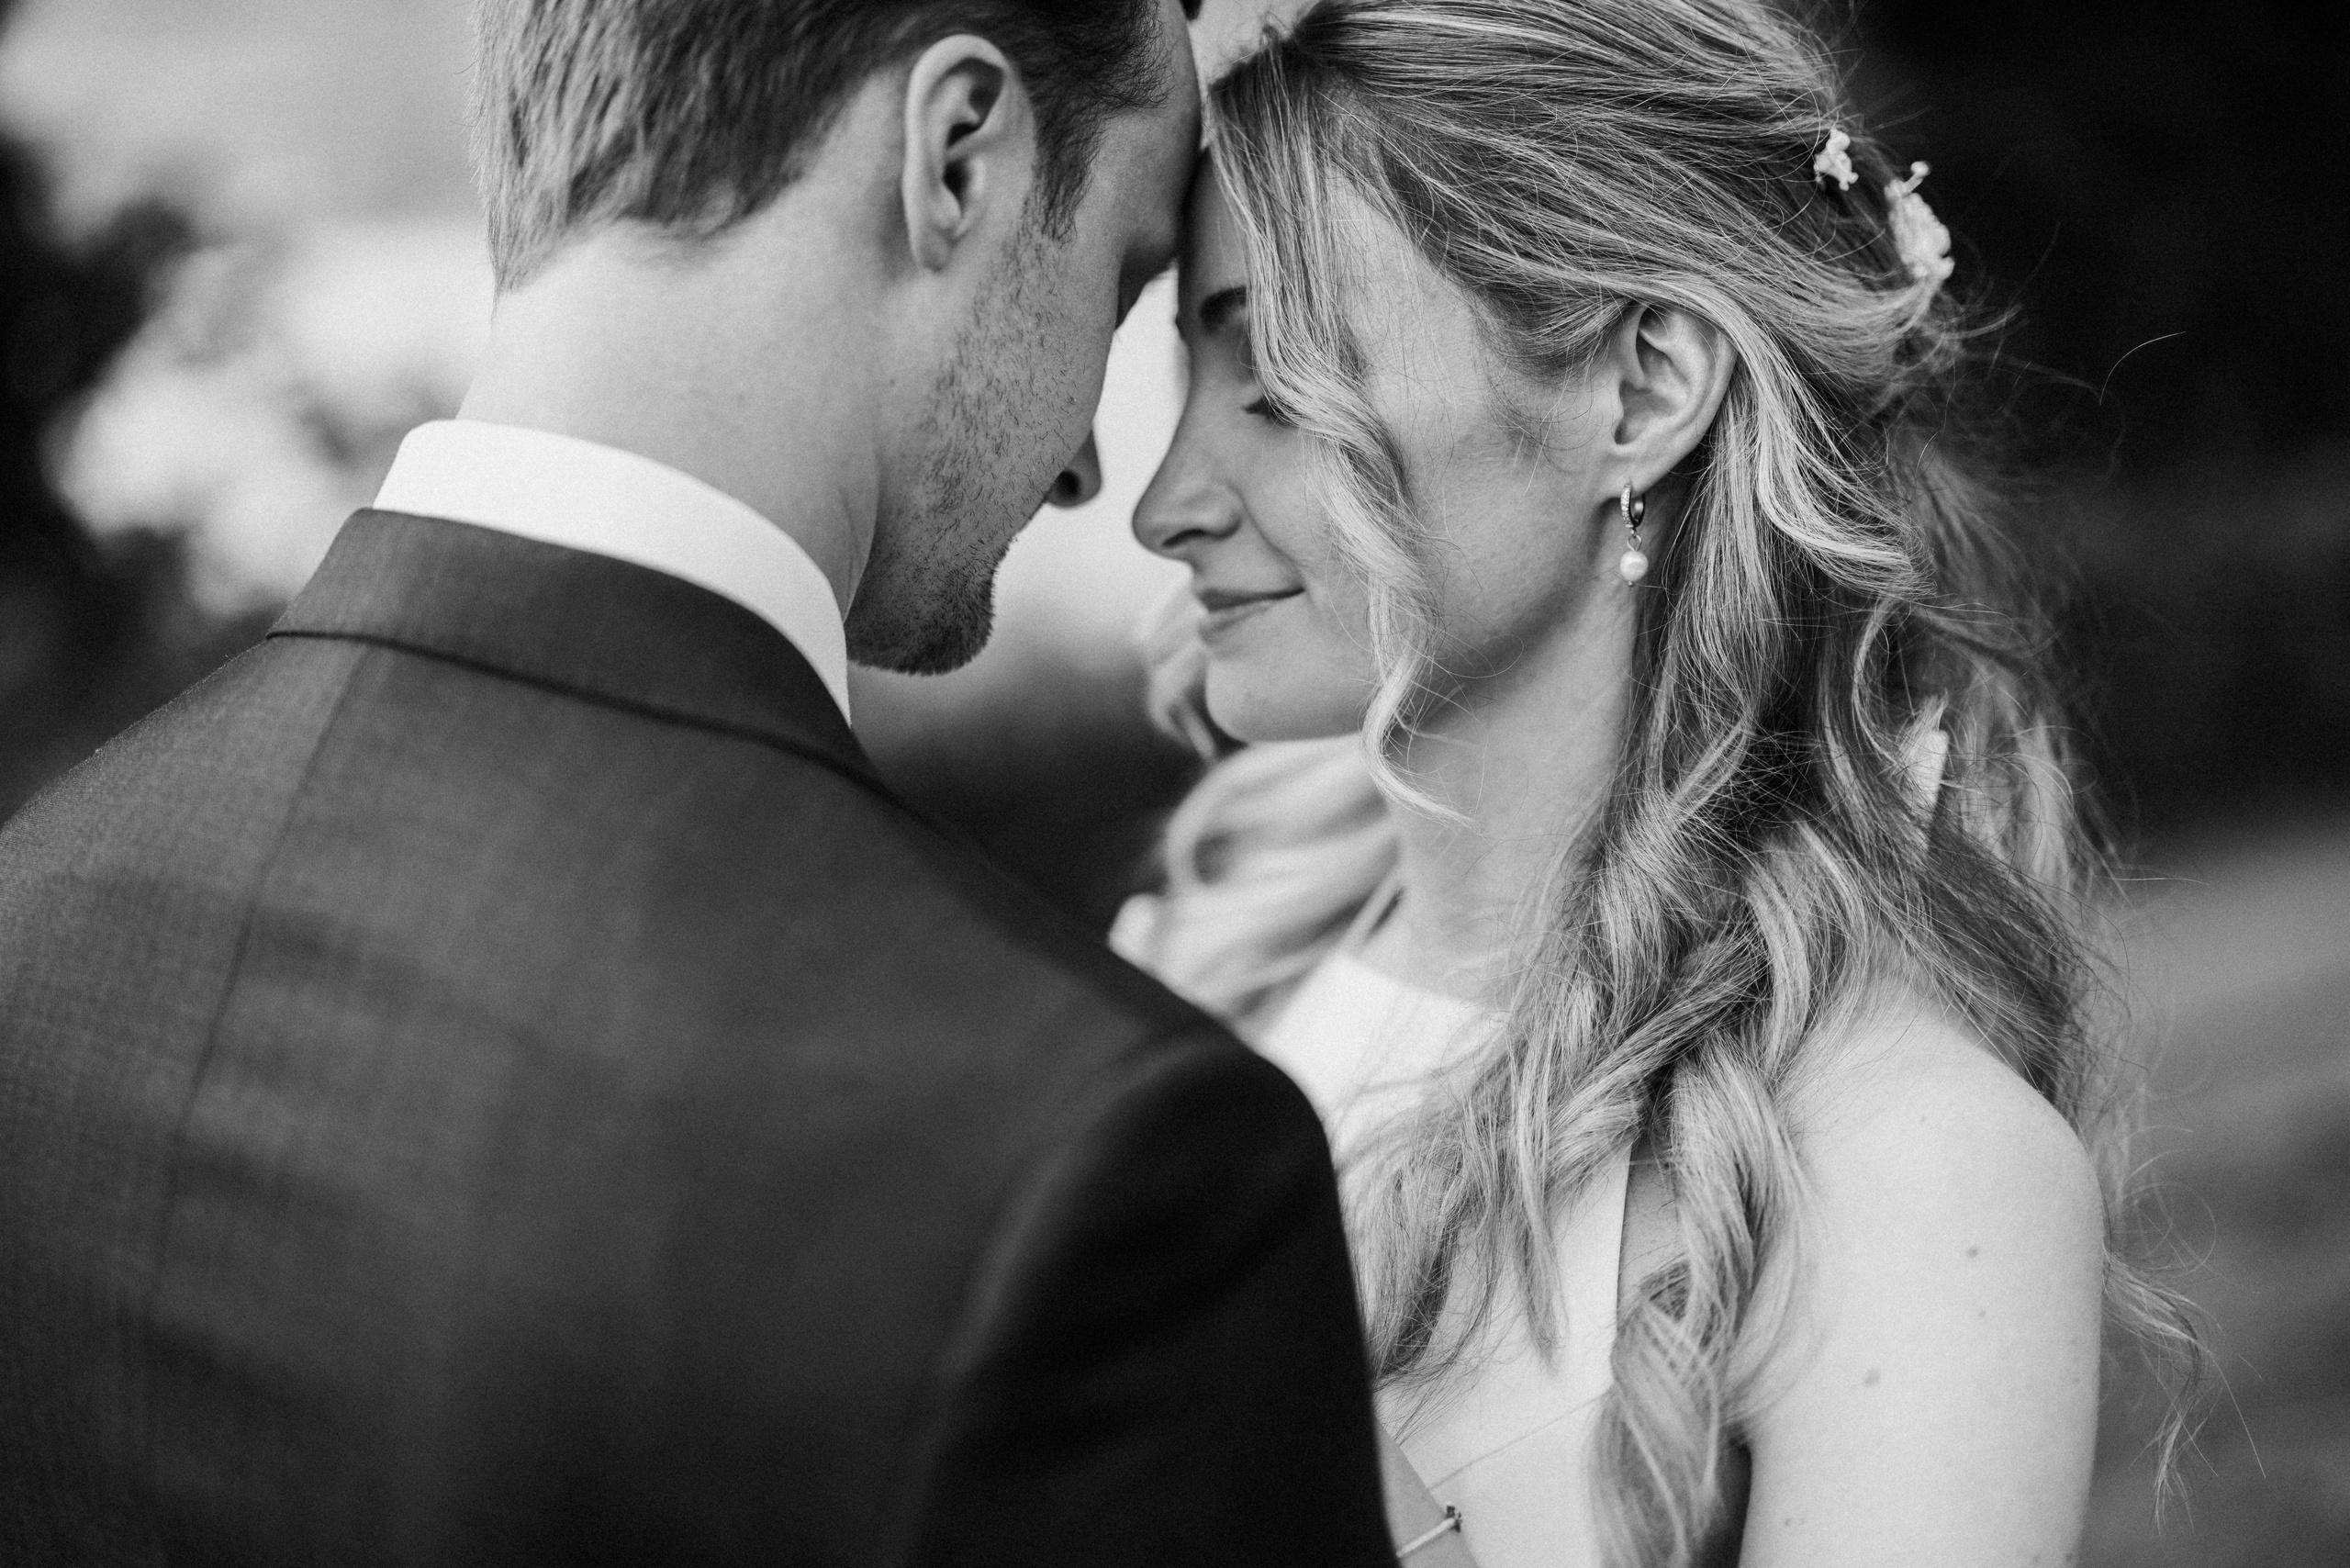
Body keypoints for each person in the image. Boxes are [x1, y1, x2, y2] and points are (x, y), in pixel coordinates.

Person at [0, 2, 1398, 1563]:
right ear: (959, 157)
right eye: (1121, 278)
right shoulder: (1095, 1164)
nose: (1087, 465)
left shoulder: (36, 918)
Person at [1116, 1, 2205, 1563]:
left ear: (1638, 391)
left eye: (1280, 379)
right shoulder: (1203, 982)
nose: (1165, 505)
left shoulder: (1900, 1173)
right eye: (1186, 381)